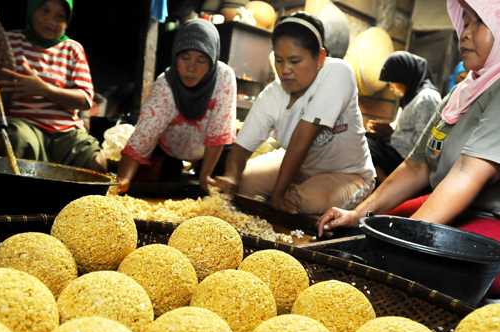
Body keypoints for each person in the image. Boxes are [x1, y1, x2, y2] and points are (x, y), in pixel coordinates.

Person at [318, 0, 500, 294]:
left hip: (492, 219)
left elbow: (468, 172)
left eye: (478, 22)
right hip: (457, 205)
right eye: (464, 22)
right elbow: (417, 165)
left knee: (426, 270)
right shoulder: (460, 94)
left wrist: (406, 240)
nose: (464, 33)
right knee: (368, 231)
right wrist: (359, 213)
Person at [209, 12, 375, 215]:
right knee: (245, 185)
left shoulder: (338, 73)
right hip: (301, 167)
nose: (285, 70)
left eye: (295, 61)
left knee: (304, 202)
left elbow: (303, 135)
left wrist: (277, 195)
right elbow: (242, 148)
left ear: (320, 57)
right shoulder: (273, 94)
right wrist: (232, 176)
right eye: (279, 60)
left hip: (347, 174)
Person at [114, 18, 237, 194]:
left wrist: (205, 176)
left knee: (214, 193)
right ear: (175, 56)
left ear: (212, 61)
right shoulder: (165, 85)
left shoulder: (223, 78)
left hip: (212, 151)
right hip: (171, 149)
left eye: (201, 61)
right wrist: (124, 179)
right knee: (162, 190)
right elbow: (143, 135)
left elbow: (218, 132)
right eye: (184, 58)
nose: (191, 68)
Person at [0, 0, 107, 172]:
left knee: (97, 162)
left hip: (66, 132)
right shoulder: (10, 41)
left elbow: (85, 100)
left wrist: (44, 89)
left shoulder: (73, 49)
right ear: (32, 11)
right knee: (20, 142)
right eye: (45, 11)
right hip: (24, 124)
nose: (51, 20)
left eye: (60, 16)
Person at [366, 52, 441, 184]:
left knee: (364, 146)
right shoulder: (411, 99)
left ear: (404, 76)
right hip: (397, 152)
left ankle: (388, 186)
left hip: (407, 160)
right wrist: (385, 132)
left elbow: (425, 143)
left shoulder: (427, 98)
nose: (391, 88)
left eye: (392, 81)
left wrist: (390, 133)